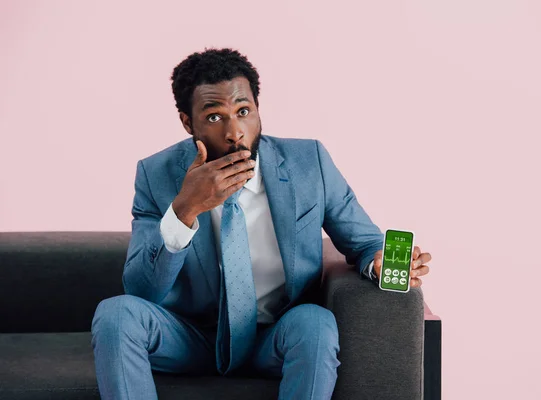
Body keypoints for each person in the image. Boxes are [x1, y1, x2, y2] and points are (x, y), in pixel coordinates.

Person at [91, 48, 432, 400]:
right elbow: (142, 291)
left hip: (275, 337)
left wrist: (378, 261)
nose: (234, 132)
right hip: (191, 337)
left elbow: (364, 242)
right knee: (116, 314)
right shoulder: (156, 175)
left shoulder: (308, 162)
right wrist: (185, 209)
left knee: (315, 322)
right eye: (213, 117)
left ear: (257, 108)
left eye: (243, 111)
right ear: (186, 122)